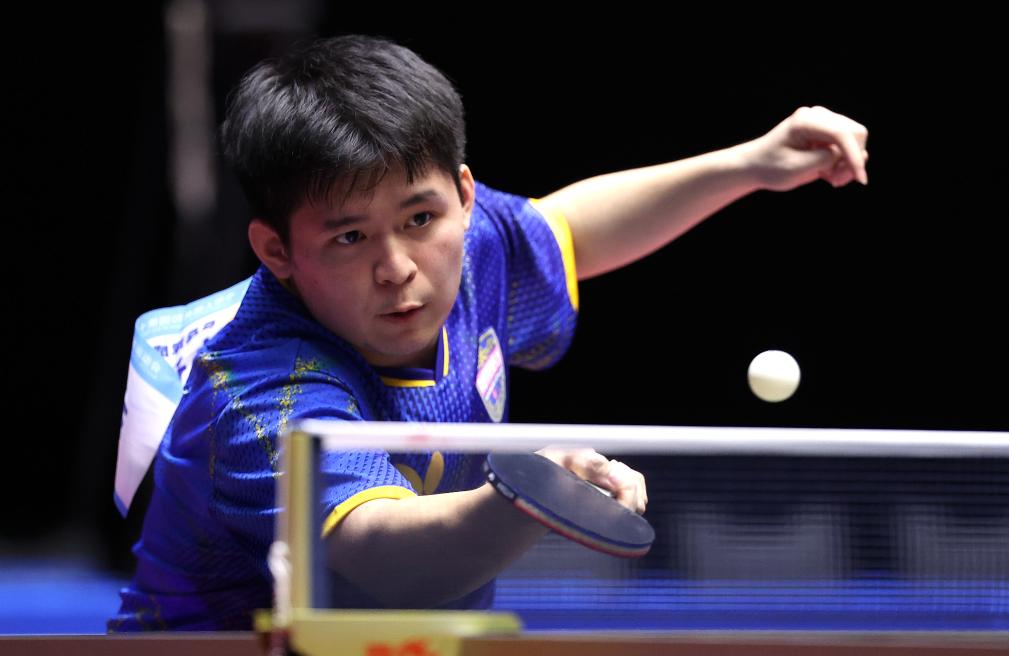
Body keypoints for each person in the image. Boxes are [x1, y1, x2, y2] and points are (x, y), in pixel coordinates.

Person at [109, 34, 868, 631]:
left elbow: (567, 230)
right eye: (349, 237)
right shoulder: (260, 389)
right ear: (276, 250)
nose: (398, 267)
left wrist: (748, 164)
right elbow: (382, 552)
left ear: (464, 197)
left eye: (419, 217)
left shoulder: (468, 252)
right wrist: (524, 493)